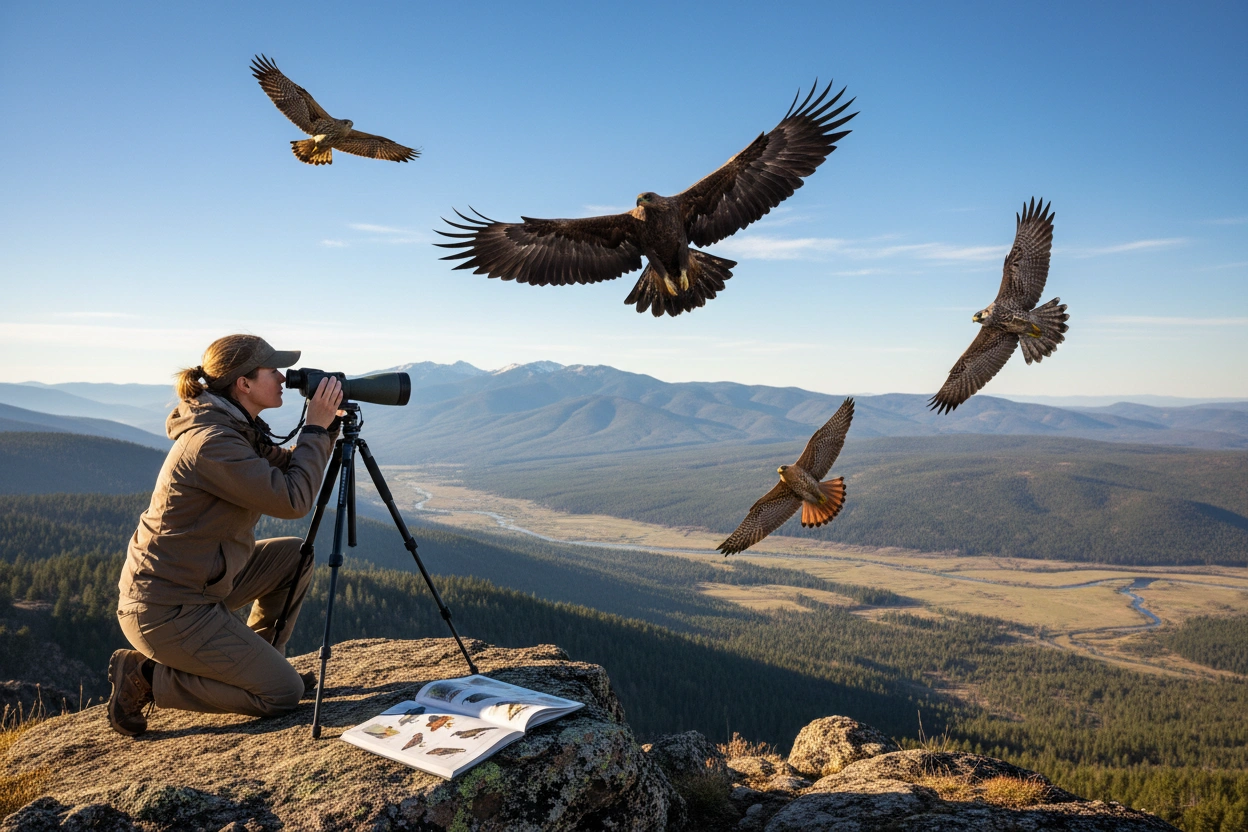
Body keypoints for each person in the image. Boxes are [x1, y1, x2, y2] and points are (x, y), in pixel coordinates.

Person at [108, 334, 343, 736]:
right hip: (166, 608)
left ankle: (262, 663)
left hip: (201, 587)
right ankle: (146, 676)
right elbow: (292, 500)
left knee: (294, 556)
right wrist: (315, 431)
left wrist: (328, 428)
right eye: (273, 371)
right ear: (244, 384)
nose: (284, 378)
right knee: (282, 696)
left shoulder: (236, 427)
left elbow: (285, 468)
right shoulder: (213, 443)